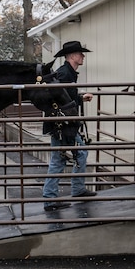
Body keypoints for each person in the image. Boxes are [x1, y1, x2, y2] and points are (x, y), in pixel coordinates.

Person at [42, 40, 97, 211]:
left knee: (79, 153)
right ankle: (50, 199)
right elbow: (57, 99)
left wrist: (80, 98)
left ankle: (77, 190)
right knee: (60, 159)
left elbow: (65, 98)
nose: (83, 57)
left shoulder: (67, 73)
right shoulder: (64, 74)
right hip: (62, 125)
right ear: (73, 56)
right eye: (81, 54)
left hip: (64, 123)